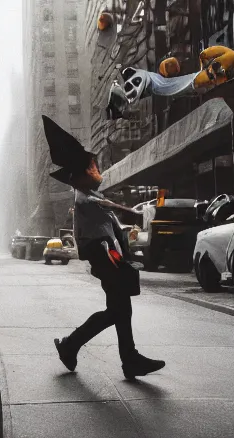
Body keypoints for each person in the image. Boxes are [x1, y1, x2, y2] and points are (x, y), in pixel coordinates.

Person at [41, 116, 165, 380]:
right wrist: (130, 215)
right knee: (117, 311)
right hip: (106, 261)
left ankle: (79, 348)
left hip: (111, 261)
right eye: (94, 166)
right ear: (83, 174)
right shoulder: (85, 199)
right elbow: (104, 216)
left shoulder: (93, 197)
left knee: (118, 311)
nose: (99, 169)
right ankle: (80, 347)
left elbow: (109, 214)